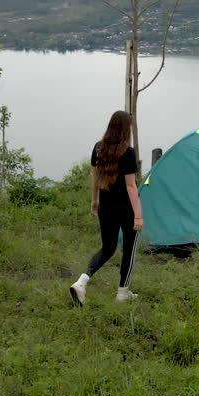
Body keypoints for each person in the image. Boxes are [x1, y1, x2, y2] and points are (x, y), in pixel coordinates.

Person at [70, 110, 144, 306]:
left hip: (106, 207)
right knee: (129, 249)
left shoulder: (98, 148)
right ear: (125, 129)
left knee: (108, 248)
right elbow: (131, 186)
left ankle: (82, 281)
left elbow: (95, 178)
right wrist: (138, 216)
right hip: (126, 210)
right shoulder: (128, 152)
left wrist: (94, 201)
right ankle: (122, 293)